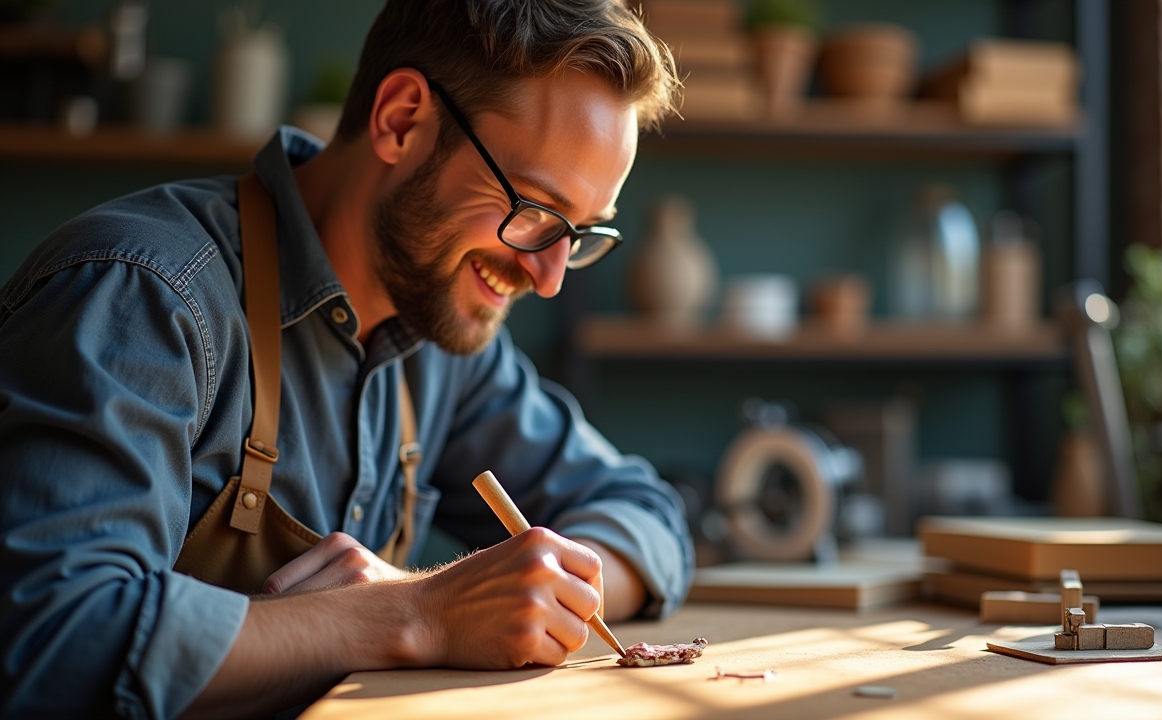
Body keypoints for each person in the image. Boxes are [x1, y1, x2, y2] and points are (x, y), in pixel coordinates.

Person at [0, 1, 692, 717]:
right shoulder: (144, 296)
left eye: (578, 234)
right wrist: (416, 614)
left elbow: (646, 516)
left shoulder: (440, 334)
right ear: (401, 120)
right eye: (536, 212)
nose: (549, 278)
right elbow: (55, 638)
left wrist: (545, 586)